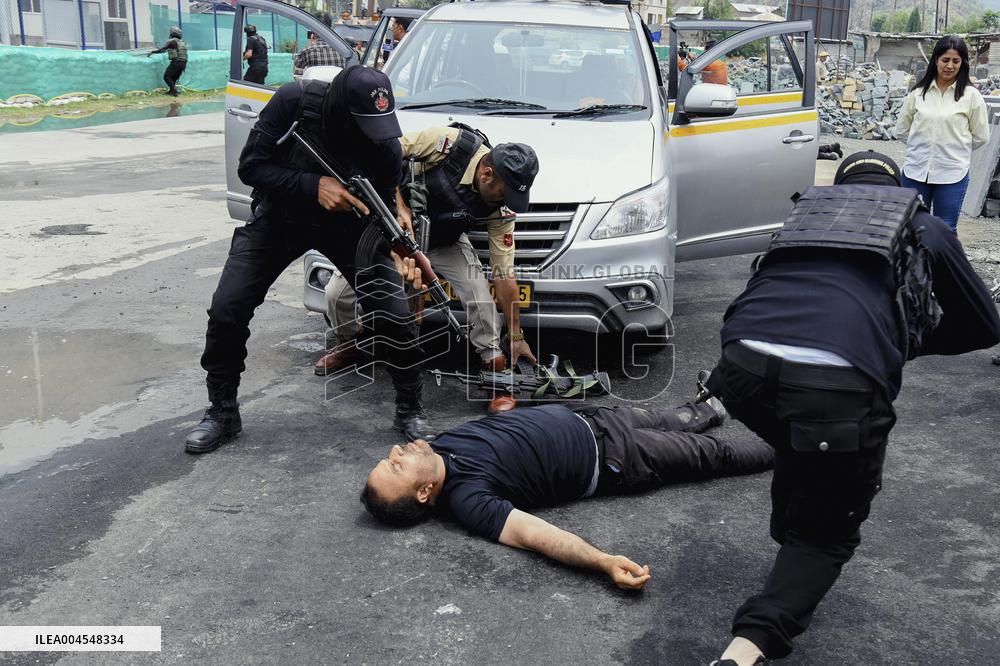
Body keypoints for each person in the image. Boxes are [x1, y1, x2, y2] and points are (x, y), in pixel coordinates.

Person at [702, 151, 1000, 665]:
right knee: (825, 534)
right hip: (835, 388)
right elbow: (985, 325)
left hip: (739, 370)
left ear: (841, 189)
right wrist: (897, 344)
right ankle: (745, 649)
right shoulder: (925, 227)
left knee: (802, 435)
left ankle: (790, 530)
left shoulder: (801, 225)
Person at [184, 66, 437, 455]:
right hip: (280, 219)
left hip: (349, 229)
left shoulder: (385, 145)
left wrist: (399, 249)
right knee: (227, 308)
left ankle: (410, 409)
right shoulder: (295, 102)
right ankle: (222, 411)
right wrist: (312, 185)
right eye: (364, 124)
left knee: (395, 314)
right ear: (339, 110)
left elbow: (382, 205)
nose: (374, 135)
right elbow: (250, 167)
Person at [360, 392, 774, 589]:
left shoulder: (438, 451)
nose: (398, 450)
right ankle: (801, 449)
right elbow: (537, 535)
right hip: (619, 458)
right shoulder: (468, 500)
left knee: (682, 415)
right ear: (423, 493)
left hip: (598, 418)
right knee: (714, 455)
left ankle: (719, 402)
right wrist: (603, 562)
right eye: (397, 464)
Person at [315, 126, 539, 412]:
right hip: (390, 231)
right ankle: (357, 344)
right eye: (502, 194)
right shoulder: (447, 144)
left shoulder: (502, 208)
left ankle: (495, 369)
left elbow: (504, 275)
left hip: (444, 243)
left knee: (481, 298)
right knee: (337, 295)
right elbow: (383, 155)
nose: (505, 204)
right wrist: (399, 207)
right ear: (486, 175)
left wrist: (517, 335)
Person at [895, 35, 990, 232]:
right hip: (915, 172)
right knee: (912, 227)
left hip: (952, 174)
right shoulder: (918, 93)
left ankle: (940, 264)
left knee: (945, 229)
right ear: (936, 60)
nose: (950, 66)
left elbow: (981, 136)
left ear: (962, 63)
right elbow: (901, 130)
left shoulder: (971, 96)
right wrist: (922, 146)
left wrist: (955, 149)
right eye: (945, 60)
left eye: (956, 61)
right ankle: (915, 264)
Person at [147, 26, 187, 97]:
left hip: (176, 61)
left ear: (172, 34)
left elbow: (162, 50)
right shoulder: (182, 42)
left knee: (167, 77)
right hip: (183, 62)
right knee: (173, 77)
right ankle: (172, 92)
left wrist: (152, 52)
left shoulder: (172, 41)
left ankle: (175, 90)